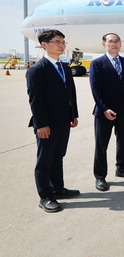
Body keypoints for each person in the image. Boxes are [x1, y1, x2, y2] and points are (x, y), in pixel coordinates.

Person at [26, 29, 79, 213]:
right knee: (45, 160)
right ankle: (45, 196)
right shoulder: (36, 70)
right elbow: (36, 100)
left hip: (64, 121)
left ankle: (58, 188)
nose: (61, 45)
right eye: (57, 42)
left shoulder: (64, 67)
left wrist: (73, 115)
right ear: (44, 44)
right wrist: (41, 124)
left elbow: (70, 93)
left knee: (58, 157)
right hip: (46, 124)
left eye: (63, 42)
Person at [89, 33, 124, 192]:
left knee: (122, 140)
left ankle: (122, 169)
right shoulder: (97, 63)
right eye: (111, 41)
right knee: (101, 145)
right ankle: (100, 176)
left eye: (117, 41)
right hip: (105, 112)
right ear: (104, 44)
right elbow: (95, 89)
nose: (115, 44)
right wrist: (104, 108)